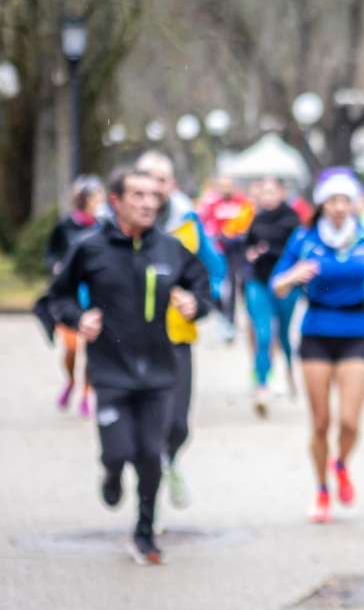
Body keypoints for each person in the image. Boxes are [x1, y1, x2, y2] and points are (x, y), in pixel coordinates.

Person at [44, 167, 212, 565]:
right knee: (119, 450)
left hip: (158, 369)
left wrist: (195, 305)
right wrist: (76, 317)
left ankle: (145, 532)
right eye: (137, 195)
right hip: (110, 369)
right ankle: (111, 472)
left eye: (154, 196)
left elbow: (203, 284)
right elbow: (57, 296)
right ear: (116, 201)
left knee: (151, 454)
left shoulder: (170, 249)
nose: (148, 203)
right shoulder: (90, 247)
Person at [270, 169, 364, 523]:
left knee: (350, 422)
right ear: (322, 203)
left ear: (354, 204)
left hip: (356, 330)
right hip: (316, 332)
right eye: (332, 200)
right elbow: (277, 284)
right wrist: (293, 277)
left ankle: (340, 464)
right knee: (321, 423)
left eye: (345, 200)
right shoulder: (304, 239)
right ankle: (322, 489)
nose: (339, 207)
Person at [135, 152, 227, 510]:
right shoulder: (121, 224)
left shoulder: (188, 225)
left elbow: (214, 272)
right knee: (141, 425)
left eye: (163, 179)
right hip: (131, 339)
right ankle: (147, 502)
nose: (156, 187)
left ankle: (169, 460)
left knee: (177, 425)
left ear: (172, 185)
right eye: (148, 178)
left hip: (177, 336)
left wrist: (199, 300)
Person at [44, 175, 105, 417]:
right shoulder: (65, 226)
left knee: (91, 346)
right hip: (70, 294)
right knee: (71, 348)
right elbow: (50, 253)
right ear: (85, 199)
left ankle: (87, 392)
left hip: (93, 295)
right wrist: (56, 266)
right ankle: (70, 381)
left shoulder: (102, 227)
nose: (100, 201)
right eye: (96, 196)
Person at [244, 176, 302, 416]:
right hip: (258, 283)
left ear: (282, 192)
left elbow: (298, 251)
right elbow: (247, 245)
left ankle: (289, 371)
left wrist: (270, 250)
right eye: (263, 192)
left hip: (286, 286)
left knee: (285, 336)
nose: (267, 197)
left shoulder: (292, 219)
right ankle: (262, 385)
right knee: (264, 335)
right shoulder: (256, 218)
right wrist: (253, 253)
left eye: (271, 192)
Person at [199, 175, 255, 342]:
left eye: (228, 185)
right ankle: (228, 322)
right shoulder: (212, 204)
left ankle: (249, 321)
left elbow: (249, 224)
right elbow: (205, 225)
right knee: (224, 290)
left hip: (239, 252)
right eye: (222, 186)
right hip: (219, 253)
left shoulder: (242, 202)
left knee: (243, 286)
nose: (225, 189)